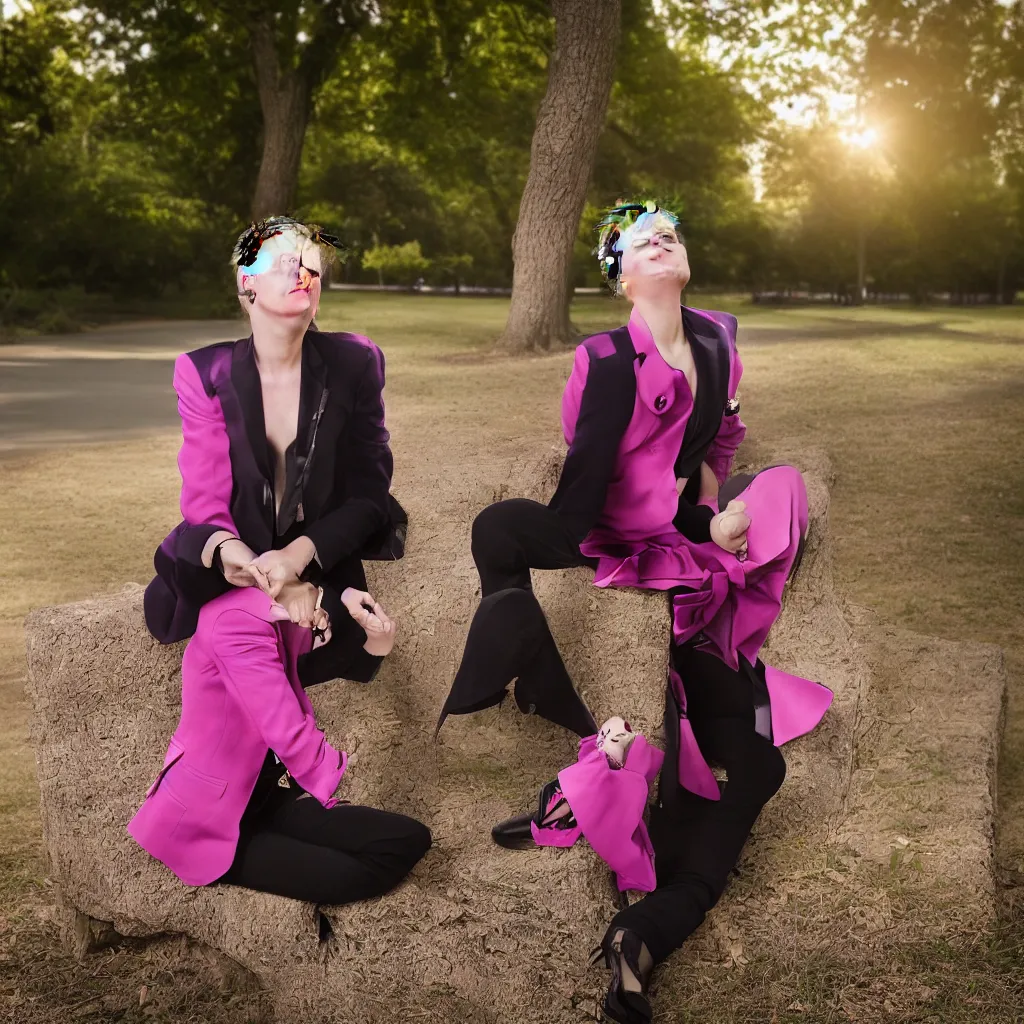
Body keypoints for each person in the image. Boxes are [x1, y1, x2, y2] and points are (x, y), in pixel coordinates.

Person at [436, 201, 831, 1023]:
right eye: (638, 238)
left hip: (686, 547)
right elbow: (583, 483)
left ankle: (639, 936)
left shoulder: (718, 337)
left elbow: (718, 438)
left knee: (759, 766)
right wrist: (573, 548)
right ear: (615, 275)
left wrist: (714, 514)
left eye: (672, 230)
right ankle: (540, 690)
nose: (661, 238)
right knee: (499, 528)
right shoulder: (605, 359)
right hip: (610, 535)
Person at [130, 217, 430, 904]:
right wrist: (241, 557)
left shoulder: (355, 362)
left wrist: (304, 566)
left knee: (403, 840)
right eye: (285, 261)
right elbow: (204, 497)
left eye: (314, 265)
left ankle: (272, 828)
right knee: (356, 872)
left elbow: (369, 493)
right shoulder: (203, 370)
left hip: (313, 556)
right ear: (246, 283)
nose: (305, 272)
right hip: (231, 566)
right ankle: (244, 841)